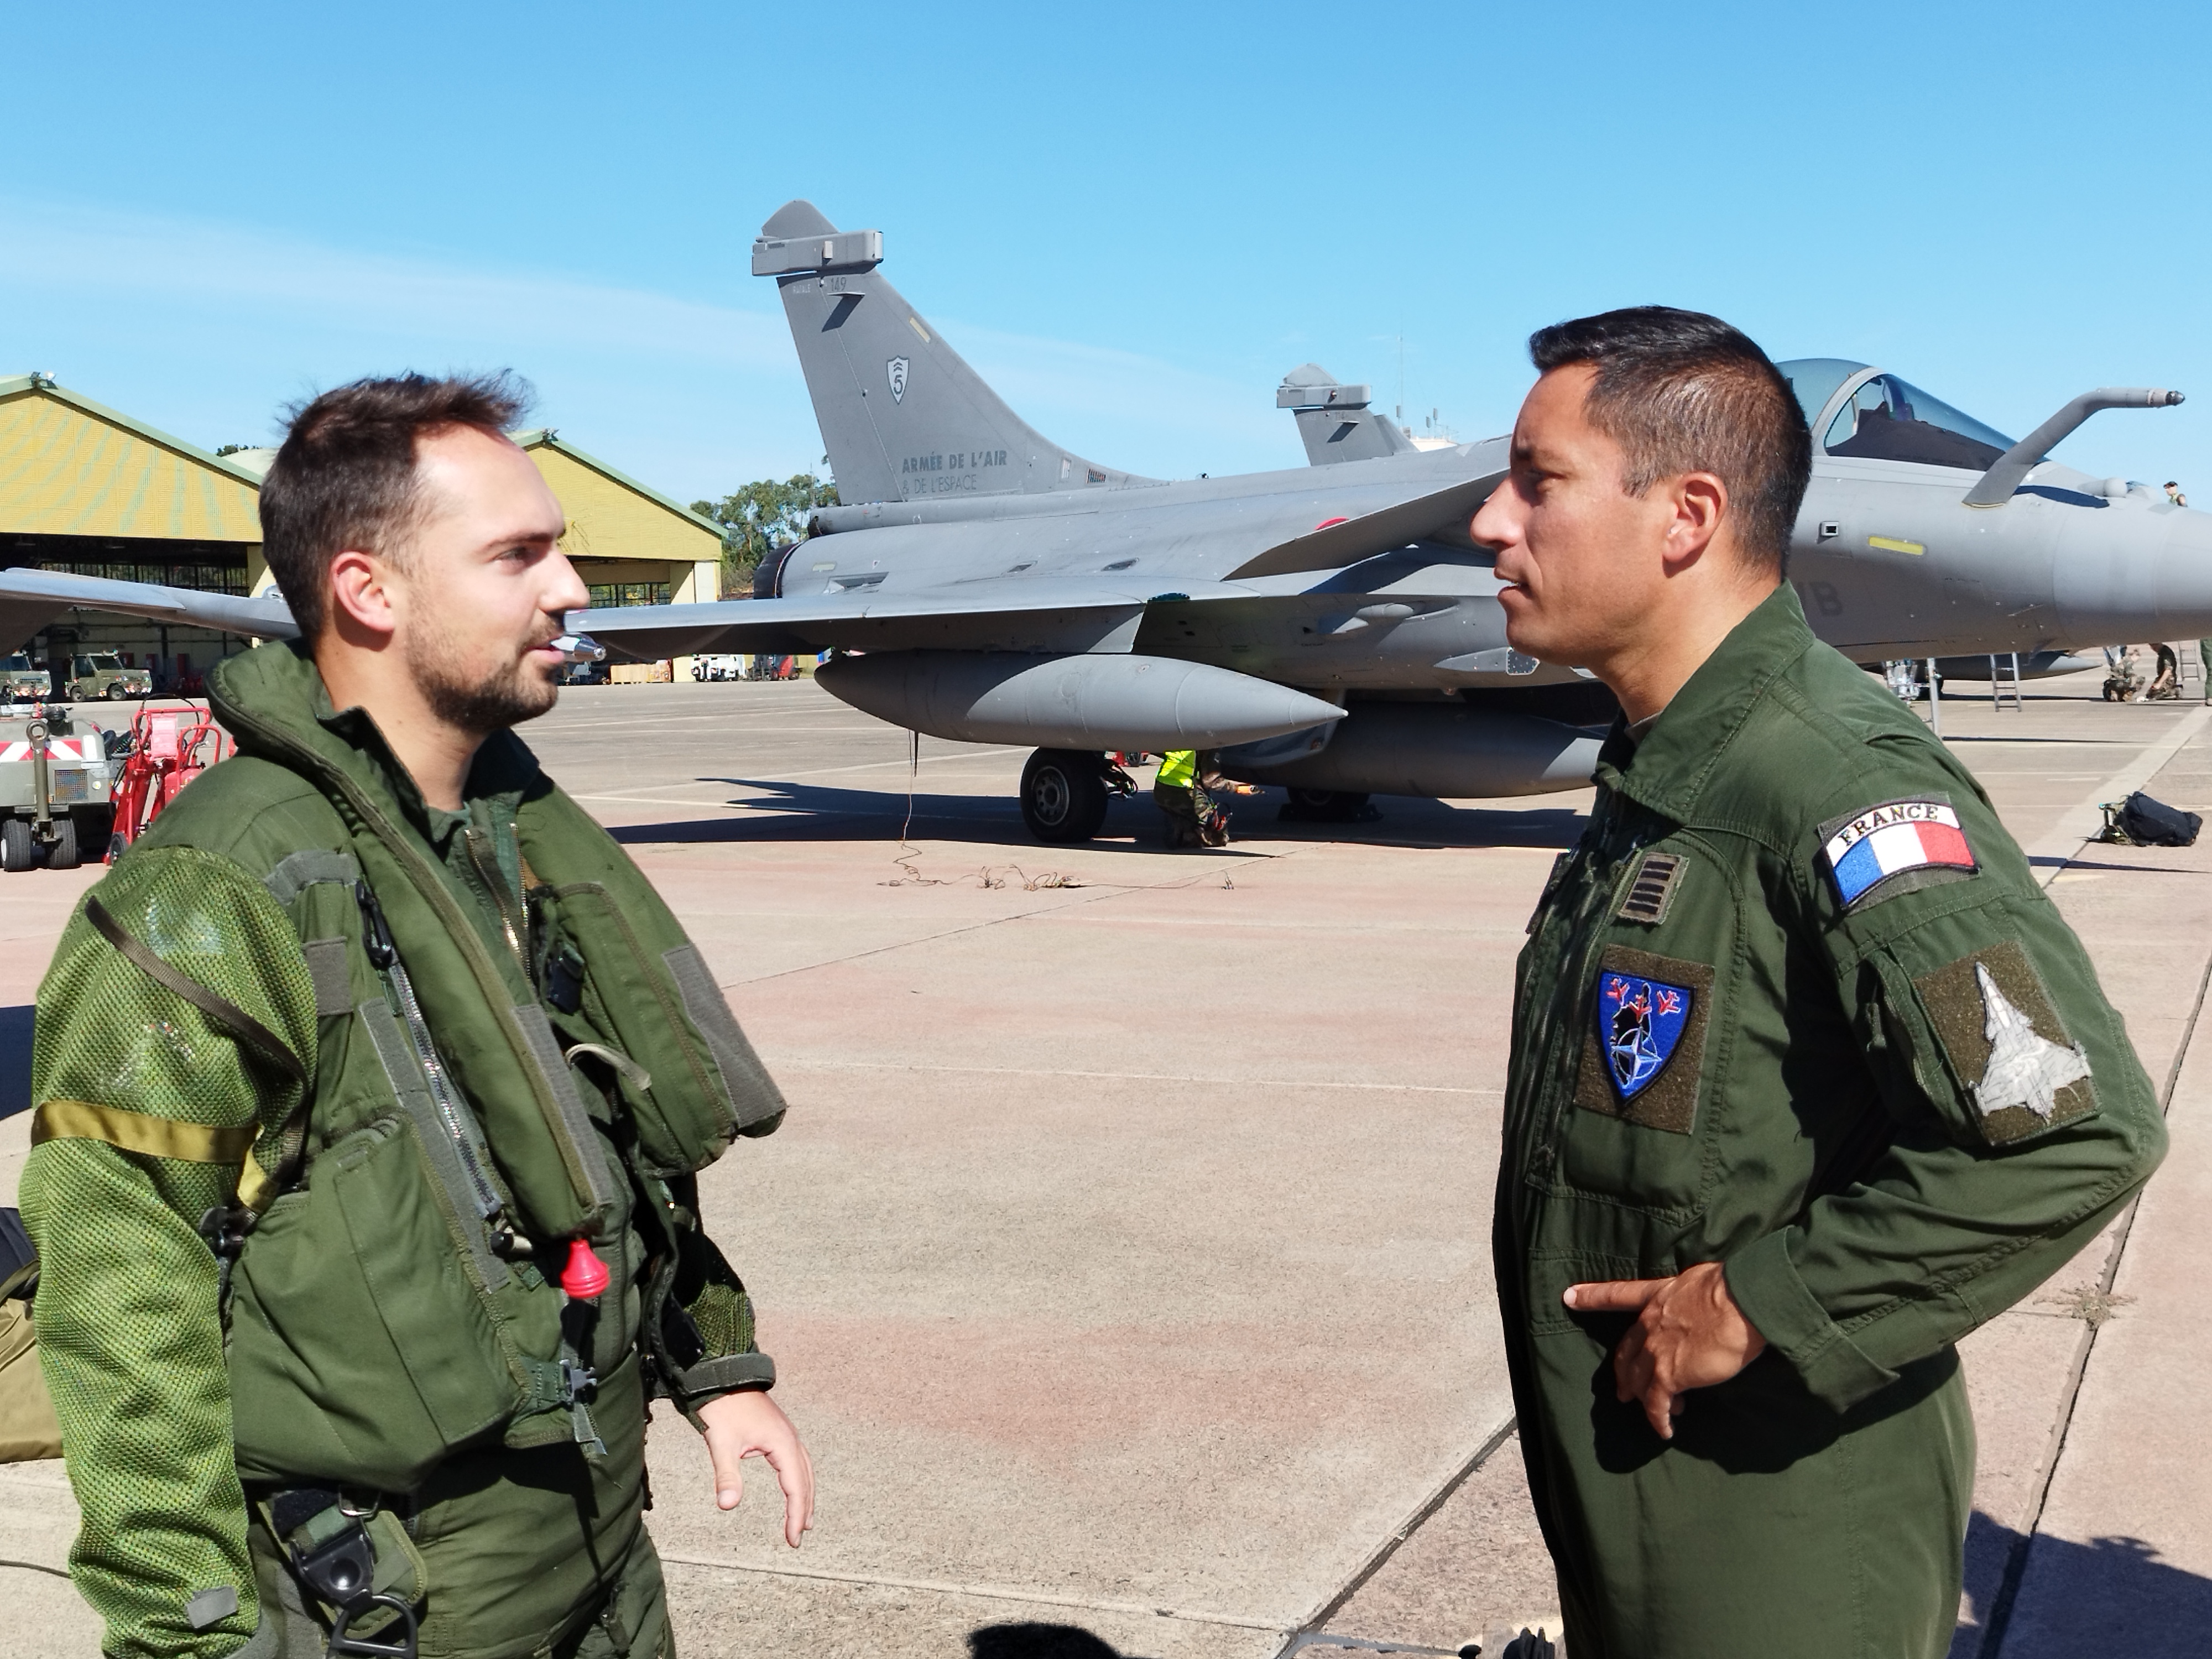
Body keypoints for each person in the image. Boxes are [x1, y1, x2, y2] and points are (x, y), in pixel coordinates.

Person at [23, 374, 813, 1659]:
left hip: (601, 1541)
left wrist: (712, 1361)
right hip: (400, 1595)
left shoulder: (505, 840)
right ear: (367, 590)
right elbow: (123, 1297)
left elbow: (607, 1139)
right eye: (518, 555)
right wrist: (190, 1634)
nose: (568, 588)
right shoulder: (222, 889)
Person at [1469, 308, 2166, 1659]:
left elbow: (2074, 1131)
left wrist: (1751, 1304)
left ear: (1684, 515)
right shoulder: (1667, 775)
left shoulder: (1831, 783)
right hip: (1646, 1510)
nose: (1492, 522)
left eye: (1535, 481)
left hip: (1776, 1545)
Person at [1153, 749, 1227, 847]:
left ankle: (1179, 830)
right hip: (1180, 791)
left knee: (1180, 812)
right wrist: (1236, 788)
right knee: (1209, 817)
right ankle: (1215, 839)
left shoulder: (1177, 744)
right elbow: (1210, 782)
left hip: (1160, 791)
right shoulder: (1200, 747)